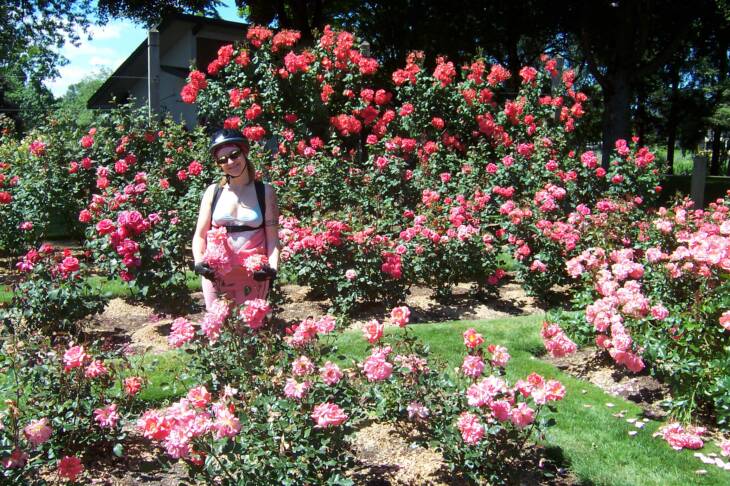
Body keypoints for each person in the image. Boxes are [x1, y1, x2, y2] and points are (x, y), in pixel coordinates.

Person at [192, 128, 280, 310]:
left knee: (251, 329)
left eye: (234, 155)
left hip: (253, 275)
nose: (230, 162)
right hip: (216, 275)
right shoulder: (213, 192)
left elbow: (273, 239)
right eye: (223, 160)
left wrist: (271, 269)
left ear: (244, 152)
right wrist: (199, 262)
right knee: (219, 327)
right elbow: (200, 235)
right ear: (218, 164)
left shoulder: (265, 192)